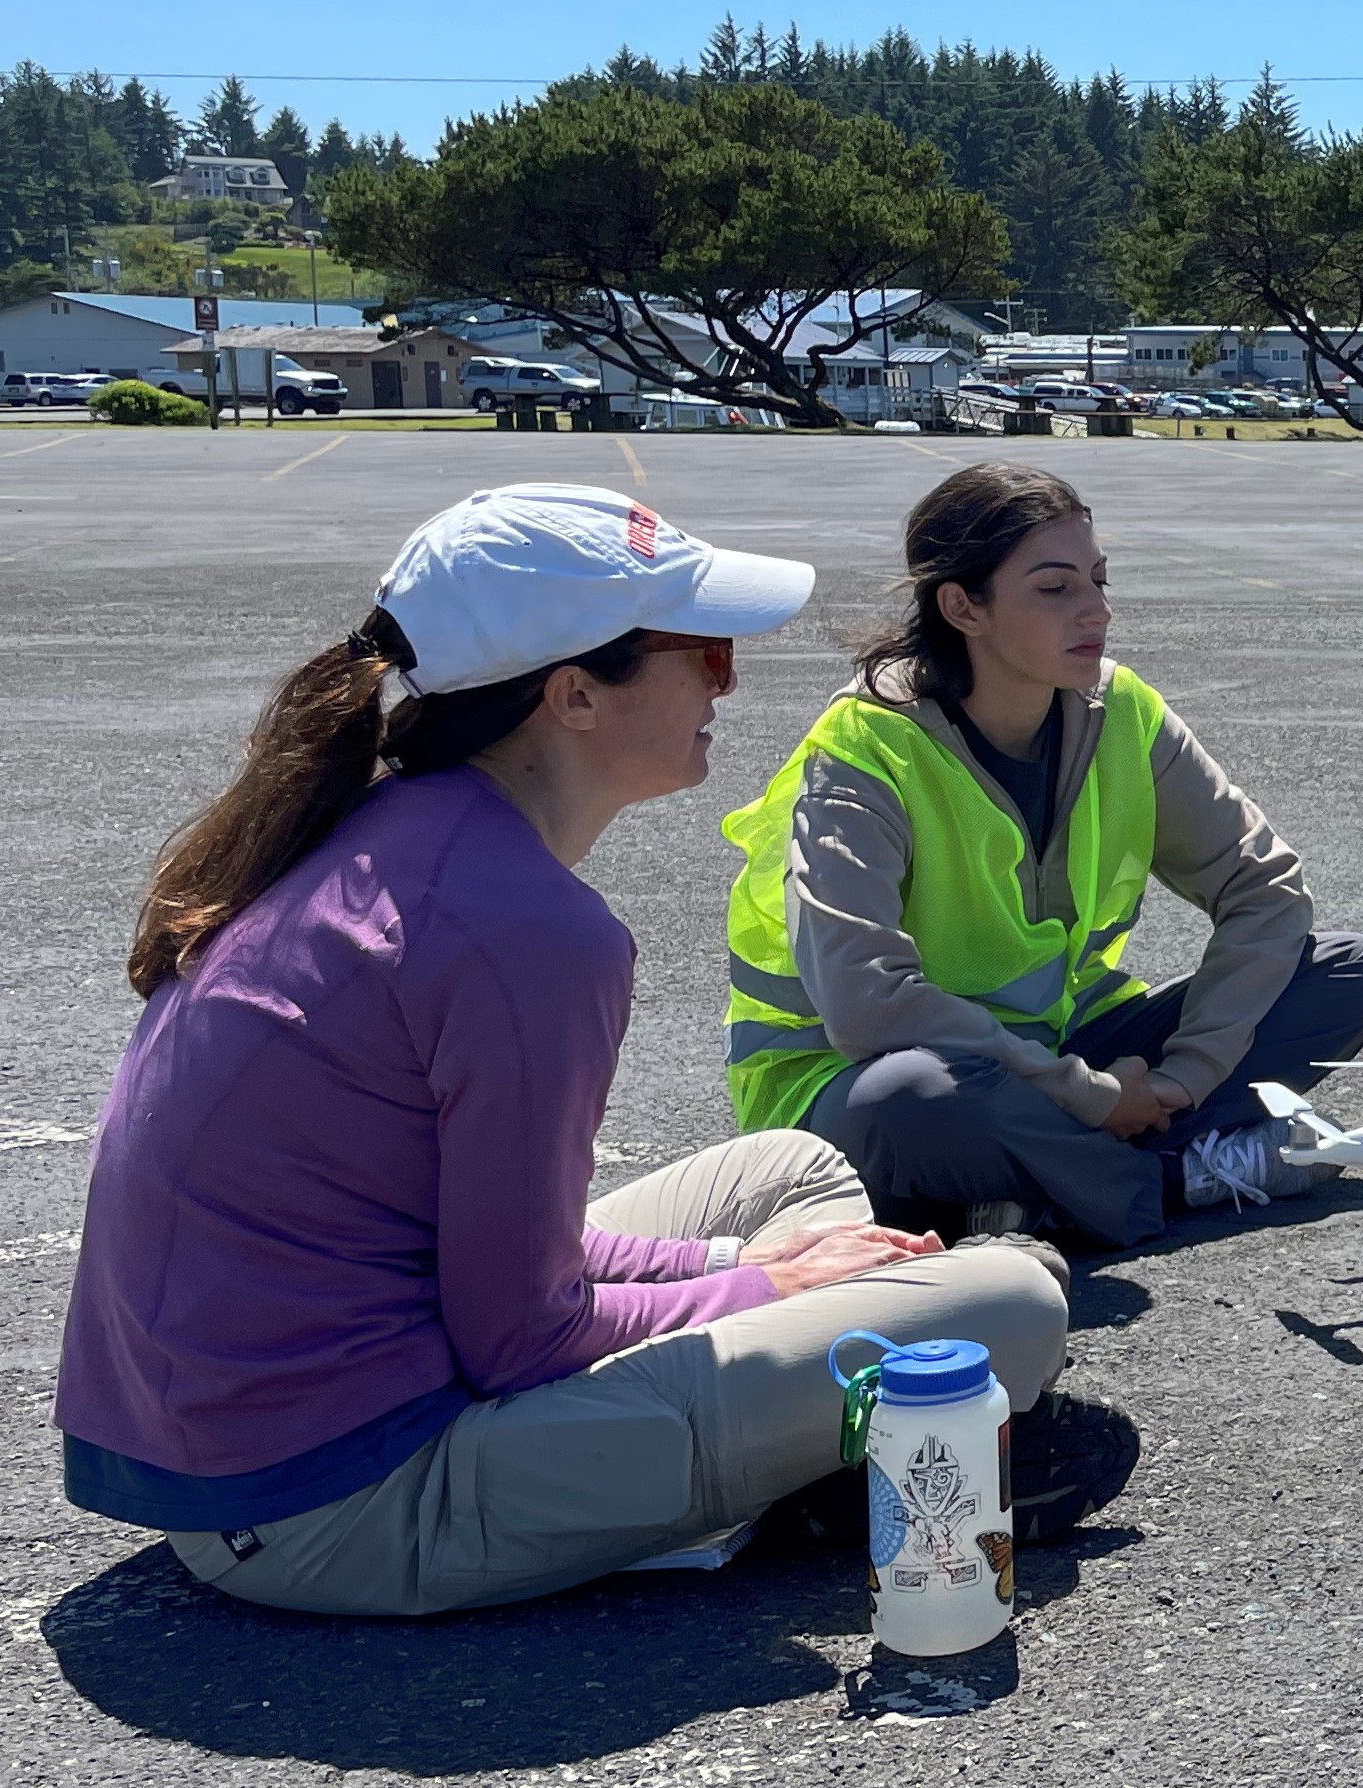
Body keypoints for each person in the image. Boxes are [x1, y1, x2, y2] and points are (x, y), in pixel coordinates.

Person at [57, 485, 1072, 1616]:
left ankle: (784, 1445)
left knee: (790, 1169)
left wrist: (749, 1279)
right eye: (705, 653)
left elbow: (486, 1264)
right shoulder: (524, 930)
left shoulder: (389, 831)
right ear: (574, 694)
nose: (725, 682)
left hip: (249, 1451)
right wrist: (768, 1284)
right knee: (1012, 1298)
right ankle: (791, 1469)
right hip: (336, 1507)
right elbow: (523, 1333)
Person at [723, 462, 1363, 1246]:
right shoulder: (865, 747)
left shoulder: (1118, 712)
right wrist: (1087, 1096)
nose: (1096, 612)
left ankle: (1038, 1195)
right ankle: (1176, 1177)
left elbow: (1264, 889)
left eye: (1099, 581)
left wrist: (1184, 1075)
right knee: (917, 1099)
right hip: (864, 1079)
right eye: (1055, 589)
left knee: (1346, 970)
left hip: (1056, 1055)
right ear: (961, 605)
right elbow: (866, 1004)